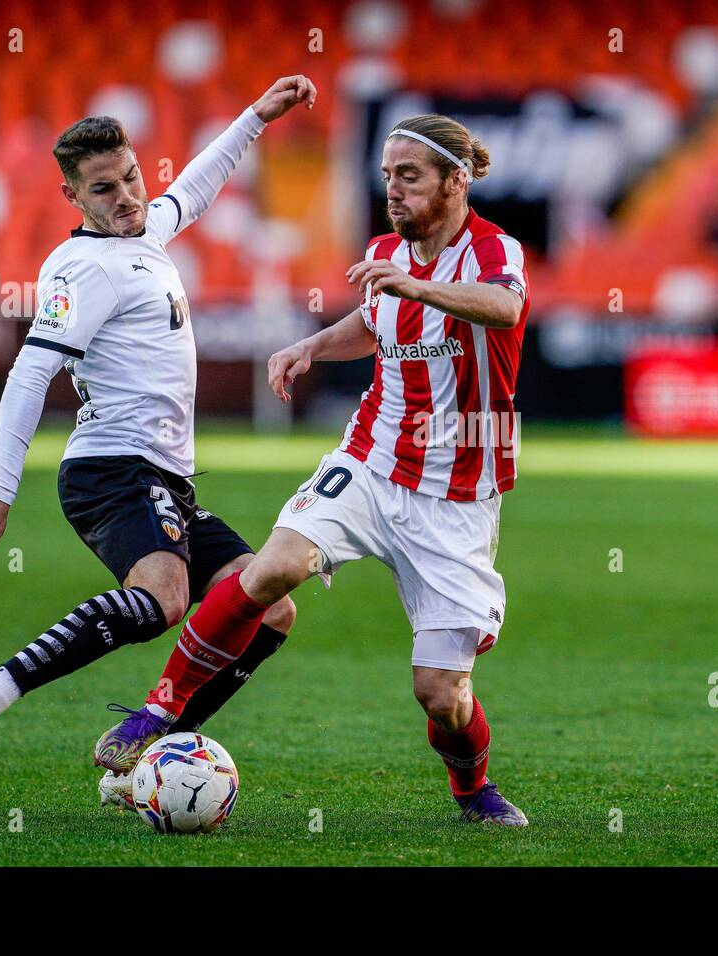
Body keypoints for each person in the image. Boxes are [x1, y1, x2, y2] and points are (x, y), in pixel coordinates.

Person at [96, 113, 531, 825]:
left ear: (457, 180)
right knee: (271, 571)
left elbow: (504, 307)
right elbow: (374, 320)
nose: (392, 189)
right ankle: (158, 711)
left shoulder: (491, 250)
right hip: (370, 459)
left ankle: (471, 789)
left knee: (442, 696)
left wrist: (416, 288)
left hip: (456, 493)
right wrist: (312, 347)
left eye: (410, 176)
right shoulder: (386, 251)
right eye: (387, 174)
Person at [0, 77, 318, 800]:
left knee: (270, 609)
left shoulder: (143, 234)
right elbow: (30, 371)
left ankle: (150, 759)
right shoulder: (85, 268)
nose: (127, 197)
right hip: (111, 467)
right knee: (165, 598)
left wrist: (256, 116)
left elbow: (194, 191)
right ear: (74, 199)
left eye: (132, 178)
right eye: (104, 189)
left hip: (161, 476)